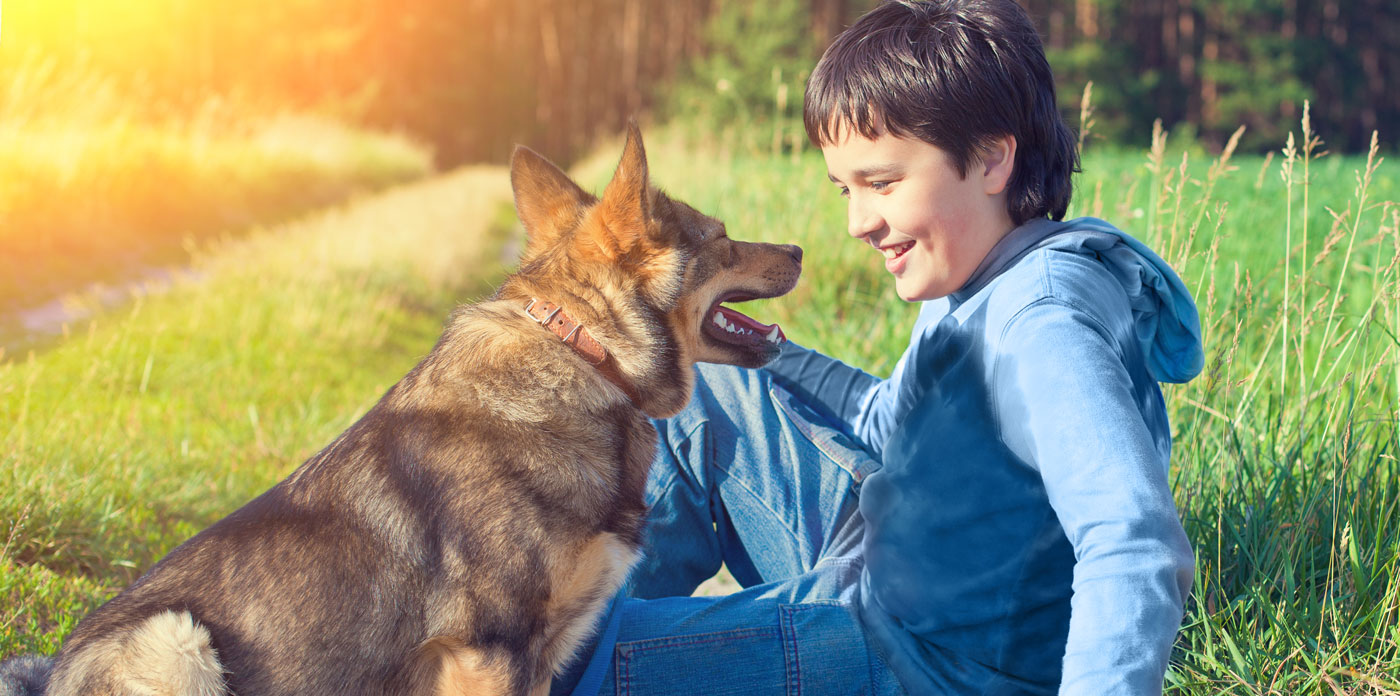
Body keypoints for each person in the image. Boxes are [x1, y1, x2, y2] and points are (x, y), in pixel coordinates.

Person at [553, 0, 1203, 694]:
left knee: (564, 667)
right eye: (845, 188)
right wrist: (766, 350)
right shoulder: (977, 275)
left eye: (883, 183)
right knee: (705, 391)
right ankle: (581, 620)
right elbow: (885, 420)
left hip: (935, 661)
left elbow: (1134, 541)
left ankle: (575, 656)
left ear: (990, 158)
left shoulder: (1044, 327)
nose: (860, 221)